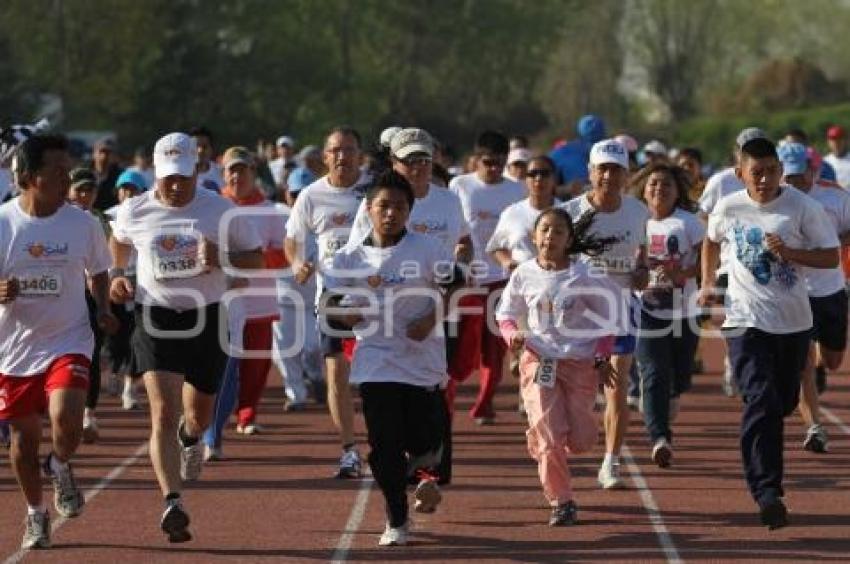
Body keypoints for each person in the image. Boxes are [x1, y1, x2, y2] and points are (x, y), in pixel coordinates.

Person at [109, 132, 263, 542]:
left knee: (198, 416)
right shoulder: (134, 211)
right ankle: (172, 502)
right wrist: (118, 277)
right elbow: (118, 242)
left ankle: (190, 437)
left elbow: (257, 258)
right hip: (155, 316)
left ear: (197, 170)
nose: (176, 186)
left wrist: (222, 257)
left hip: (207, 317)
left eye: (183, 177)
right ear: (156, 174)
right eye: (168, 178)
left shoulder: (221, 209)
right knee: (162, 410)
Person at [699, 134, 839, 529]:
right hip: (745, 320)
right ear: (740, 173)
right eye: (756, 173)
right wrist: (709, 282)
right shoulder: (728, 206)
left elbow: (830, 258)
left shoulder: (803, 208)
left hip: (793, 322)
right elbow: (710, 242)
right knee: (759, 400)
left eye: (772, 172)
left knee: (781, 403)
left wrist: (792, 253)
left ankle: (768, 483)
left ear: (781, 170)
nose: (765, 180)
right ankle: (768, 491)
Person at [322, 170, 455, 546]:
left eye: (399, 206)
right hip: (376, 360)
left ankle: (426, 470)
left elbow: (456, 282)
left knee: (423, 438)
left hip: (421, 360)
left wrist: (430, 318)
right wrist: (342, 315)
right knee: (384, 446)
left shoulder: (427, 249)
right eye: (384, 206)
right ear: (368, 209)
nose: (391, 213)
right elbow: (327, 302)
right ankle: (396, 517)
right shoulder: (348, 258)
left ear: (409, 211)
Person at [0, 134, 117, 549]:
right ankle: (35, 514)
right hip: (15, 347)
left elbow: (100, 270)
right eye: (57, 170)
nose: (67, 176)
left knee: (68, 420)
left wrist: (103, 308)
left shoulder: (82, 223)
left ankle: (61, 462)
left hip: (68, 338)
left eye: (69, 168)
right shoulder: (4, 223)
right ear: (30, 177)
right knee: (23, 442)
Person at [348, 127, 472, 484]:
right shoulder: (373, 206)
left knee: (436, 392)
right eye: (410, 160)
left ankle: (431, 473)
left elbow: (464, 241)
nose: (418, 167)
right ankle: (400, 469)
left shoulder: (448, 200)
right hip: (385, 320)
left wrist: (461, 266)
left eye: (424, 159)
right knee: (391, 402)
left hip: (438, 312)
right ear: (394, 162)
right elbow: (359, 258)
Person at [497, 208, 618, 526]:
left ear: (569, 239)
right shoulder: (523, 273)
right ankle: (562, 501)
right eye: (545, 230)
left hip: (580, 363)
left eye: (559, 231)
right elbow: (505, 314)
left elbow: (608, 321)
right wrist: (513, 335)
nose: (551, 236)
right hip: (540, 360)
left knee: (581, 440)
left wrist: (603, 358)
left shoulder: (585, 275)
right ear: (534, 236)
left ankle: (544, 438)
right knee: (550, 437)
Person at [284, 125, 373, 478]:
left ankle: (387, 441)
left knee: (376, 375)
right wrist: (296, 262)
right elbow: (293, 238)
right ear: (325, 157)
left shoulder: (373, 190)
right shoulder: (310, 195)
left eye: (349, 150)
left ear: (359, 156)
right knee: (335, 371)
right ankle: (349, 449)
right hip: (333, 293)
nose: (342, 156)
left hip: (376, 293)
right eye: (335, 150)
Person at [561, 138, 650, 490]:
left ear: (626, 174)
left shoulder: (638, 211)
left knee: (617, 388)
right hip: (578, 312)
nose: (609, 176)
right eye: (603, 169)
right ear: (591, 172)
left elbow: (641, 260)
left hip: (620, 309)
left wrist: (642, 273)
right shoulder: (570, 212)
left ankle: (611, 461)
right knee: (577, 388)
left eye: (616, 169)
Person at [203, 147, 286, 459]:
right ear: (224, 174)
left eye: (243, 170)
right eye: (231, 171)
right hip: (220, 302)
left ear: (254, 173)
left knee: (255, 365)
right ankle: (213, 426)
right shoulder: (213, 206)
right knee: (223, 368)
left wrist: (256, 257)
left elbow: (282, 255)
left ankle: (247, 413)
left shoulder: (270, 210)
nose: (237, 176)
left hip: (259, 301)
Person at [777, 142, 850, 453]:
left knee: (832, 361)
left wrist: (833, 245)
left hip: (831, 289)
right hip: (795, 292)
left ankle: (822, 358)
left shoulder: (835, 196)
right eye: (790, 177)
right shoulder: (776, 201)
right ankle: (815, 428)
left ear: (813, 170)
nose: (796, 183)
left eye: (801, 175)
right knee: (804, 363)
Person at [449, 130, 525, 424]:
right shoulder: (460, 186)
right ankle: (447, 401)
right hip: (467, 278)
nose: (493, 169)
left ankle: (484, 403)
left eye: (499, 163)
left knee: (494, 347)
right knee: (462, 347)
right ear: (475, 160)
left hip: (500, 278)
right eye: (488, 162)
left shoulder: (516, 190)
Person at [635, 164, 704, 468]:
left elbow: (709, 260)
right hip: (645, 309)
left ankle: (674, 392)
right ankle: (659, 437)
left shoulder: (688, 223)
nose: (659, 190)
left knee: (680, 373)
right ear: (643, 190)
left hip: (685, 311)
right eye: (653, 184)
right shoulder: (635, 222)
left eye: (666, 185)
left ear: (678, 191)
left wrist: (684, 272)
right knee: (653, 373)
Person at [698, 129, 756, 397]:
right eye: (745, 150)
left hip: (762, 267)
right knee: (737, 316)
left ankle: (742, 362)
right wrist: (707, 278)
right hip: (728, 264)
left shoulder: (773, 181)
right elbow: (704, 218)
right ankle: (734, 362)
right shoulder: (721, 182)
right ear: (736, 153)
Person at [66, 167, 113, 444]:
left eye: (89, 190)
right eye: (79, 189)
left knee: (92, 355)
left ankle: (88, 413)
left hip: (92, 294)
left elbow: (104, 265)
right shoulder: (57, 218)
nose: (84, 195)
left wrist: (104, 305)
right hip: (63, 297)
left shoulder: (100, 221)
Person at [273, 168, 324, 411]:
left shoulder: (323, 219)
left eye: (303, 194)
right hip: (283, 296)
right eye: (294, 194)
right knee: (286, 350)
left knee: (314, 348)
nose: (298, 199)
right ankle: (296, 395)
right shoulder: (274, 216)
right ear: (287, 195)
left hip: (314, 300)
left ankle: (315, 375)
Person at [104, 169, 149, 410]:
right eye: (124, 188)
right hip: (116, 280)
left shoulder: (150, 215)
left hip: (142, 283)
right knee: (116, 336)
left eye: (133, 188)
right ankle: (113, 369)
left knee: (137, 337)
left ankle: (129, 389)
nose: (128, 193)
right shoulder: (108, 216)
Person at [549, 114, 606, 198]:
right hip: (569, 207)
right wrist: (568, 189)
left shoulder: (559, 153)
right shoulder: (612, 153)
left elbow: (545, 189)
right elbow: (547, 189)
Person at [90, 137, 122, 211]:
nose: (104, 156)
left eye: (109, 153)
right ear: (94, 154)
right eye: (101, 151)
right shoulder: (85, 175)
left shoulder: (120, 177)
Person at [190, 126, 224, 193]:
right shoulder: (182, 174)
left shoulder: (221, 173)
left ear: (211, 149)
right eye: (196, 146)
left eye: (204, 147)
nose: (200, 151)